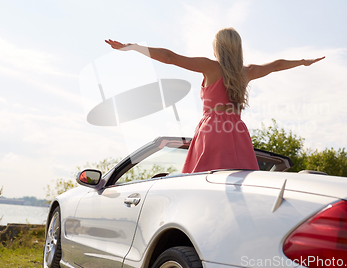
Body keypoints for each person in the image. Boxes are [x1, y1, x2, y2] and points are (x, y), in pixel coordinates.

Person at [105, 28, 324, 173]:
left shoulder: (210, 67)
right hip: (236, 128)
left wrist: (133, 47)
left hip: (212, 127)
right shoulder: (247, 72)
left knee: (203, 176)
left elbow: (170, 58)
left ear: (217, 47)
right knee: (239, 176)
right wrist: (304, 61)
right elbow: (277, 64)